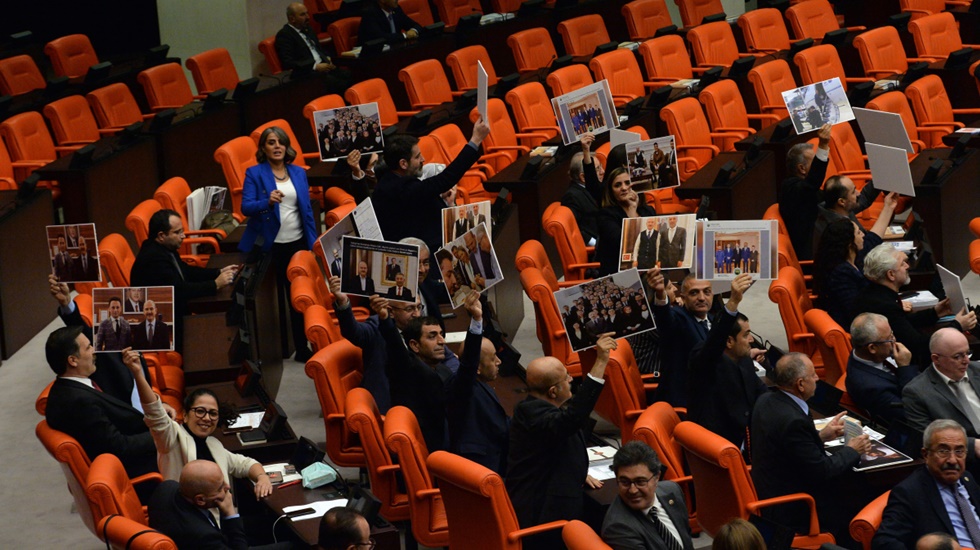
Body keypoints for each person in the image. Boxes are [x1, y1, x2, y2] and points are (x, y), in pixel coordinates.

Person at [506, 333, 616, 549]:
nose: (571, 379)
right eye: (566, 378)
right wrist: (601, 361)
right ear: (553, 391)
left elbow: (557, 438)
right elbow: (571, 420)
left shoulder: (534, 409)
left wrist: (577, 471)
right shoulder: (533, 414)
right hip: (544, 515)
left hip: (554, 491)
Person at [127, 348, 272, 503]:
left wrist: (262, 477)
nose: (207, 418)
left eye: (213, 413)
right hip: (189, 519)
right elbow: (154, 411)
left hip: (221, 518)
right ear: (186, 414)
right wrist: (137, 373)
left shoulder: (214, 445)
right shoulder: (172, 437)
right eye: (200, 411)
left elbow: (246, 464)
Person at [751, 353, 871, 536]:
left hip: (771, 488)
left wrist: (821, 436)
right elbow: (823, 471)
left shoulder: (766, 400)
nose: (817, 378)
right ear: (800, 384)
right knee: (861, 495)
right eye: (813, 375)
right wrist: (852, 450)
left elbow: (786, 446)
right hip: (795, 508)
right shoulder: (793, 421)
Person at [43, 325, 157, 478]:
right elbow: (119, 447)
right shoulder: (80, 403)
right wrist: (161, 432)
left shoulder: (69, 387)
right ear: (73, 360)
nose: (94, 351)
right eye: (89, 347)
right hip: (138, 469)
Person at [377, 291, 483, 452]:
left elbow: (467, 373)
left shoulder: (442, 369)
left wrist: (476, 320)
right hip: (437, 453)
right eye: (432, 336)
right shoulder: (407, 371)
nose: (442, 341)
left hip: (459, 439)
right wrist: (385, 319)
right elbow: (396, 348)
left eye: (441, 335)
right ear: (414, 345)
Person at [372, 119, 489, 253]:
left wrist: (439, 197)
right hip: (425, 253)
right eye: (417, 157)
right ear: (403, 163)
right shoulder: (403, 188)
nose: (423, 159)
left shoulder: (389, 180)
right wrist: (475, 140)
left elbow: (420, 198)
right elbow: (446, 179)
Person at [131, 209, 238, 354]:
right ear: (162, 235)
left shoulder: (165, 247)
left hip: (178, 311)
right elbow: (180, 290)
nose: (182, 236)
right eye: (177, 232)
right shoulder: (153, 260)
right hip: (167, 327)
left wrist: (218, 272)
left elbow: (185, 271)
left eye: (182, 231)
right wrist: (215, 284)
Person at [851, 244, 976, 365]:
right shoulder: (884, 305)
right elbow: (918, 345)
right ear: (891, 274)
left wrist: (935, 313)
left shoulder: (875, 293)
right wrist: (957, 326)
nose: (907, 266)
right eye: (902, 263)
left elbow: (902, 323)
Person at [687, 273, 766, 449]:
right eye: (745, 335)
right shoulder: (703, 359)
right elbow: (714, 343)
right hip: (716, 447)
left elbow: (761, 392)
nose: (751, 340)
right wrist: (733, 303)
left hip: (749, 440)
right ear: (729, 341)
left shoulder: (744, 359)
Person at [873, 420, 980, 550]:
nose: (952, 460)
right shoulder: (909, 492)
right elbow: (884, 541)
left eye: (959, 451)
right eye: (943, 451)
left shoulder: (966, 477)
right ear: (926, 455)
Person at [600, 440, 694, 550]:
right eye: (625, 482)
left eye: (640, 481)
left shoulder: (672, 490)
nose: (633, 490)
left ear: (657, 477)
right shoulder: (618, 528)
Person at [448, 316, 510, 474]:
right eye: (492, 358)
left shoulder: (481, 384)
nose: (499, 362)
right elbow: (469, 362)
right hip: (481, 467)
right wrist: (476, 320)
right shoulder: (462, 388)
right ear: (477, 368)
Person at [903, 328, 980, 454]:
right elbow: (928, 439)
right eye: (958, 356)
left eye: (968, 353)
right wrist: (972, 445)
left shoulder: (977, 370)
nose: (966, 361)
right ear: (936, 359)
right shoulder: (916, 392)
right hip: (963, 457)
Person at [148, 461, 254, 550]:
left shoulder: (166, 487)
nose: (228, 486)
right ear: (200, 500)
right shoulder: (204, 535)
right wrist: (230, 513)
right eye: (220, 487)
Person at [647, 269, 715, 407]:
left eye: (706, 292)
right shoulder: (679, 318)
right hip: (686, 404)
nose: (702, 298)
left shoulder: (713, 320)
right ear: (683, 298)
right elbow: (665, 319)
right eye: (694, 293)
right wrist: (660, 293)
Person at [846, 313, 918, 437]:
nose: (894, 341)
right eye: (889, 338)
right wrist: (905, 368)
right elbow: (912, 413)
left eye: (892, 334)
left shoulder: (864, 354)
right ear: (872, 348)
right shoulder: (870, 388)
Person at [778, 124, 831, 260]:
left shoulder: (804, 188)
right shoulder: (791, 188)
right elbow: (813, 182)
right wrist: (823, 145)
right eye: (813, 163)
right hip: (813, 256)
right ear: (802, 168)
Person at [813, 218, 874, 328]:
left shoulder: (853, 262)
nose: (863, 235)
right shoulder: (841, 273)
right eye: (858, 232)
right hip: (856, 329)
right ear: (850, 243)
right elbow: (855, 310)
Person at [596, 167, 657, 275]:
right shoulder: (606, 215)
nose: (624, 188)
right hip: (620, 273)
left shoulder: (648, 210)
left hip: (650, 268)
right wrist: (632, 209)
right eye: (617, 185)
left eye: (627, 183)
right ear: (611, 191)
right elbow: (625, 245)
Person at [813, 175, 893, 254]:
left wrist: (880, 178)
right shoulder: (836, 229)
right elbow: (865, 251)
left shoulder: (838, 208)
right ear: (842, 201)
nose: (858, 193)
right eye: (853, 192)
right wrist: (888, 207)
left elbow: (864, 199)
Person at [561, 133, 604, 247]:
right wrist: (596, 245)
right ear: (583, 177)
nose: (602, 172)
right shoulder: (572, 197)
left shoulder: (596, 187)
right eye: (598, 169)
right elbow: (576, 230)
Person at [275, 2, 339, 76]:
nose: (308, 17)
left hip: (325, 67)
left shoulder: (308, 29)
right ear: (292, 19)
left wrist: (328, 58)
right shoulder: (284, 35)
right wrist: (314, 66)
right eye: (303, 14)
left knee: (348, 75)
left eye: (307, 13)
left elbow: (319, 49)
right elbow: (288, 63)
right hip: (308, 74)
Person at [357, 0, 422, 46]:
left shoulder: (397, 9)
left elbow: (416, 25)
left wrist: (414, 30)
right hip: (370, 57)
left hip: (394, 51)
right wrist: (405, 35)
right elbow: (381, 38)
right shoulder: (370, 14)